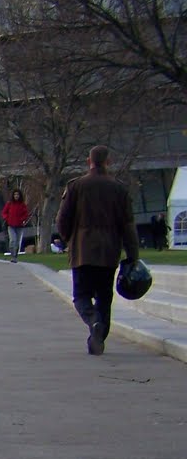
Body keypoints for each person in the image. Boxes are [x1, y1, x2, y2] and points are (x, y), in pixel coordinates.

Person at [56, 145, 141, 356]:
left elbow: (62, 219)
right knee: (104, 296)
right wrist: (133, 254)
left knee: (81, 295)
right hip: (109, 251)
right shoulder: (119, 189)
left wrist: (69, 239)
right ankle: (100, 335)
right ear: (108, 162)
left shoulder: (76, 186)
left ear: (89, 161)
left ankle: (93, 321)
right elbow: (128, 225)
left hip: (82, 250)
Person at [1, 188, 31, 261]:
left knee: (17, 242)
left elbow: (26, 214)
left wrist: (22, 219)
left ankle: (15, 256)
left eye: (17, 194)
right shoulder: (9, 204)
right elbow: (4, 212)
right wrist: (7, 218)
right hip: (11, 225)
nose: (16, 196)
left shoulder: (22, 205)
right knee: (12, 240)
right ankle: (13, 255)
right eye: (15, 194)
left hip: (19, 226)